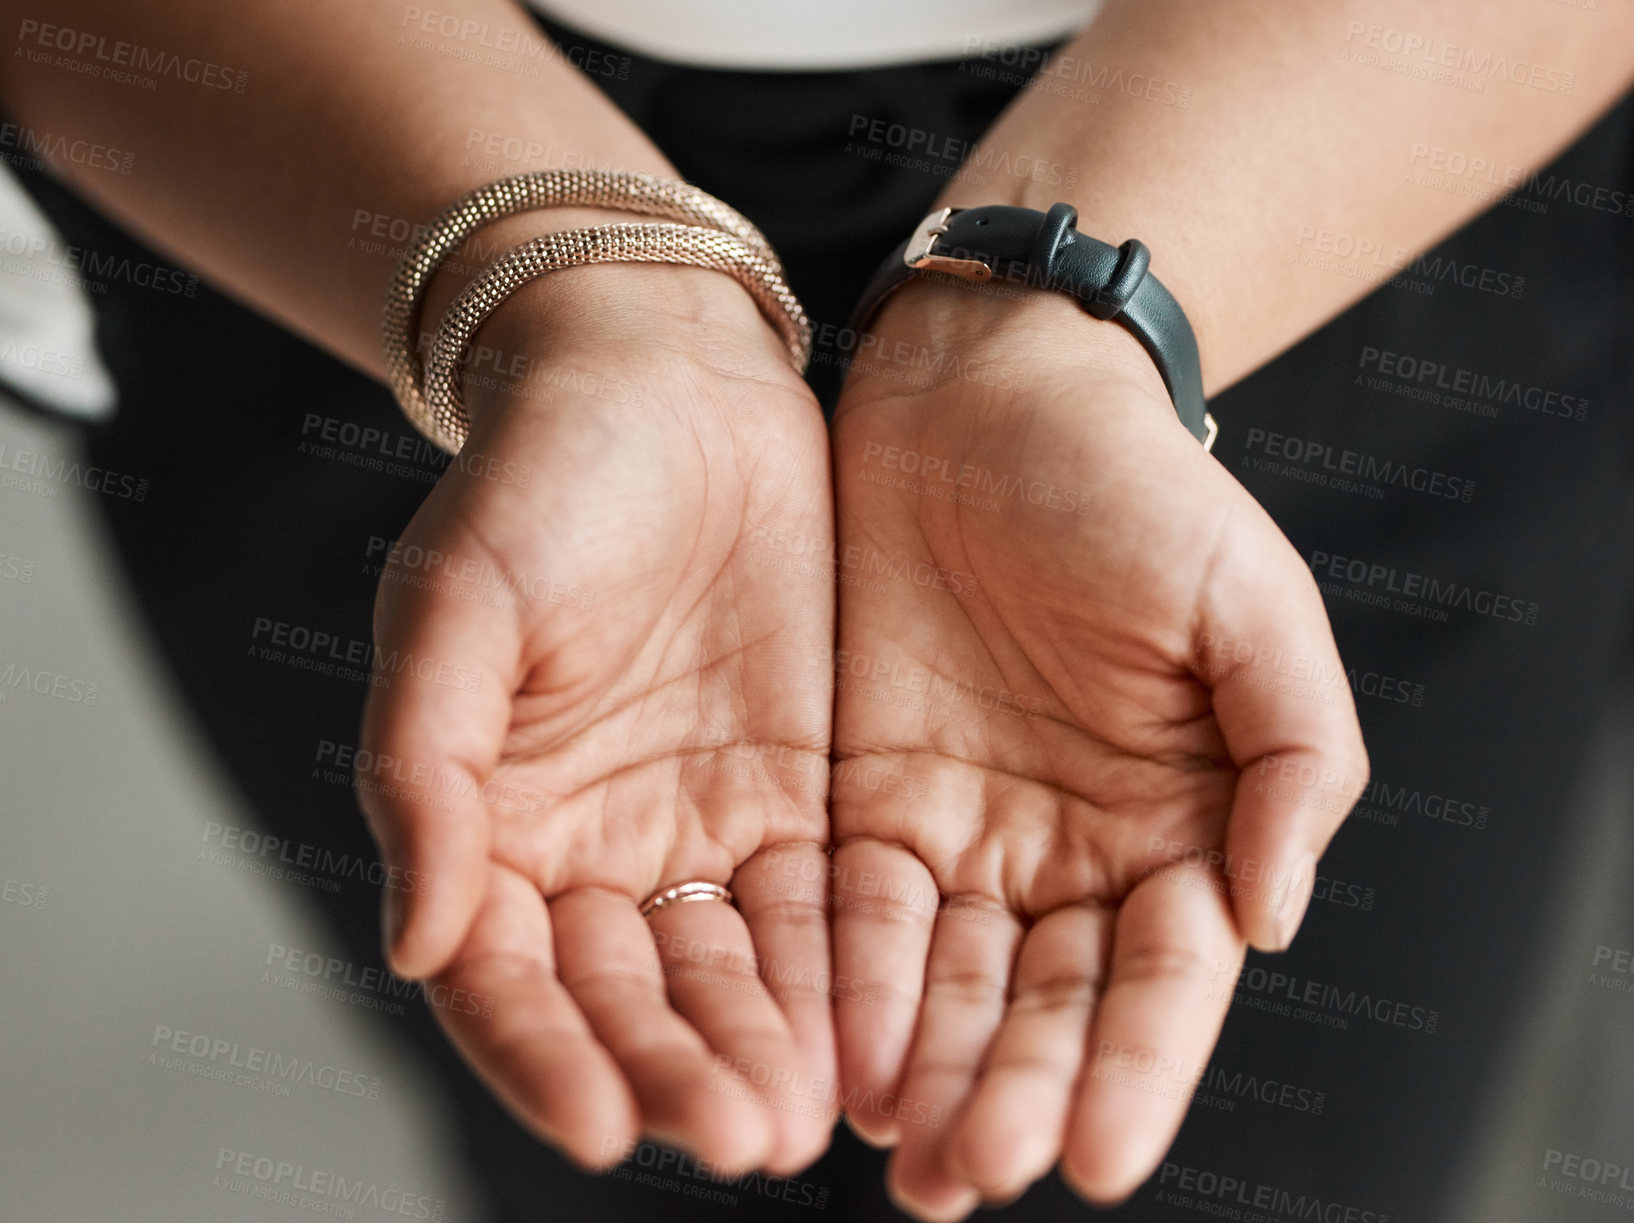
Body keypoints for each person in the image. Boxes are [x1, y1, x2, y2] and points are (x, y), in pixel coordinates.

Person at [3, 3, 1633, 1220]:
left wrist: (1065, 338)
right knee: (632, 1135)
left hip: (1347, 143)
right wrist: (582, 307)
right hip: (348, 168)